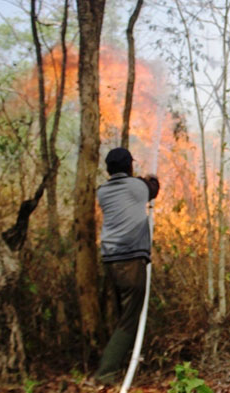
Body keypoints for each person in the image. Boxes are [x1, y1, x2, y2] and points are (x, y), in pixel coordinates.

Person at [93, 147, 160, 384]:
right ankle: (106, 372)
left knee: (121, 312)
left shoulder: (102, 191)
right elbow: (153, 188)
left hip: (110, 260)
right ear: (129, 166)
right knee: (130, 317)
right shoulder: (136, 187)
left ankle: (126, 362)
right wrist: (151, 176)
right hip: (131, 259)